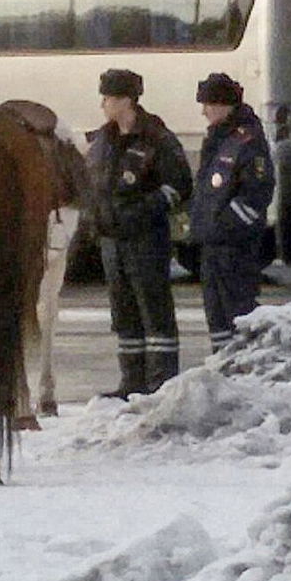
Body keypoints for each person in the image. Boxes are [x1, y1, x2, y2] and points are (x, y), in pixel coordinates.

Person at [86, 68, 193, 398]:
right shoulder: (103, 140)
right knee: (124, 314)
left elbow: (178, 186)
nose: (103, 104)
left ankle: (161, 382)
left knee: (154, 310)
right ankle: (131, 381)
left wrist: (140, 212)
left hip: (145, 238)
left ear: (126, 101)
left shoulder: (156, 138)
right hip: (112, 241)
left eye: (108, 98)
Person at [189, 72, 275, 352]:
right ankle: (223, 365)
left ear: (225, 105)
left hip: (236, 248)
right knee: (216, 315)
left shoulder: (247, 141)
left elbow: (256, 193)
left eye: (208, 104)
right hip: (213, 245)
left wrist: (225, 226)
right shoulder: (216, 139)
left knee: (239, 312)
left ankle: (245, 369)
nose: (203, 112)